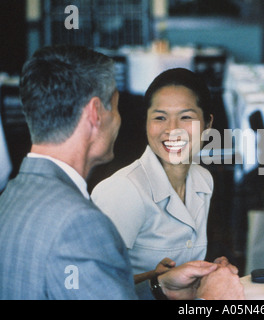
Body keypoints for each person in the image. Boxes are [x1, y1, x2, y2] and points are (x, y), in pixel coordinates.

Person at [0, 45, 244, 300]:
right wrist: (211, 301)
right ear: (96, 114)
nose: (119, 120)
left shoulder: (9, 197)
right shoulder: (79, 223)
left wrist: (159, 286)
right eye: (116, 106)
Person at [91, 68, 237, 299]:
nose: (172, 129)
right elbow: (88, 287)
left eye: (186, 117)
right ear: (146, 123)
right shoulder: (124, 191)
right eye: (160, 117)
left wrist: (206, 271)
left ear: (208, 123)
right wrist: (157, 283)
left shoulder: (203, 180)